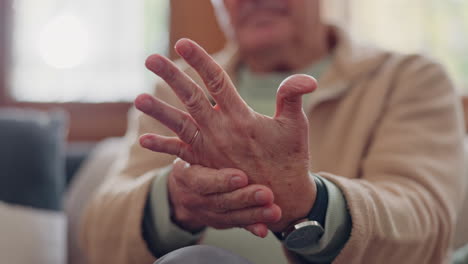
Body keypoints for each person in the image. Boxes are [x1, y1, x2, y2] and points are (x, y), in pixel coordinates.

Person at [80, 0, 467, 263]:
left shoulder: (409, 80)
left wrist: (308, 203)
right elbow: (98, 232)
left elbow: (424, 227)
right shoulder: (178, 91)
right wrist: (174, 199)